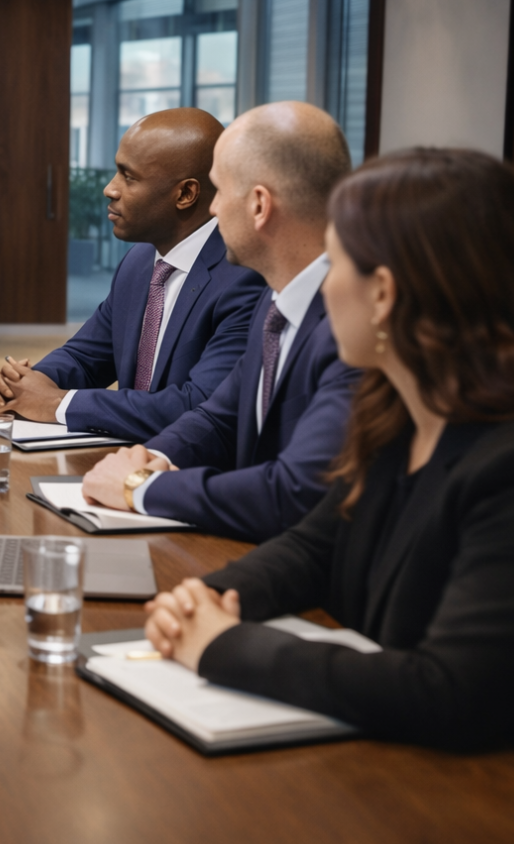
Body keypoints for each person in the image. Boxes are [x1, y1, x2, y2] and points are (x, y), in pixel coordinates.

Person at [142, 148, 514, 764]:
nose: (325, 282)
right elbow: (314, 546)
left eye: (338, 260)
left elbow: (449, 692)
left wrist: (225, 646)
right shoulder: (396, 420)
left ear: (382, 293)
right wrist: (210, 598)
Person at [80, 102, 362, 542]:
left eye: (219, 192)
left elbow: (291, 493)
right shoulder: (277, 298)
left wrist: (143, 488)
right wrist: (146, 459)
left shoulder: (353, 328)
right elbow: (218, 418)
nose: (211, 213)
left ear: (258, 205)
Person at [0, 108, 264, 442]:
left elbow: (198, 405)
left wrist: (57, 403)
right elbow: (85, 358)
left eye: (128, 177)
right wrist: (22, 384)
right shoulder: (140, 261)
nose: (109, 189)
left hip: (183, 474)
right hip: (117, 457)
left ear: (186, 194)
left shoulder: (246, 277)